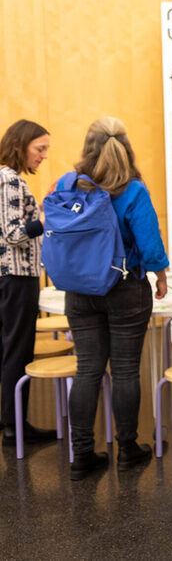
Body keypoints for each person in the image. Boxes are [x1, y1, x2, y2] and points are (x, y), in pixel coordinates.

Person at [58, 117, 170, 480]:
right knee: (124, 371)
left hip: (78, 289)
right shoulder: (133, 190)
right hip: (125, 288)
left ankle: (82, 456)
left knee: (87, 370)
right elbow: (149, 240)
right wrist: (161, 273)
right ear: (126, 146)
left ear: (87, 146)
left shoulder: (68, 183)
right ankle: (127, 449)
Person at [0, 119, 55, 445]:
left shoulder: (7, 180)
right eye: (40, 148)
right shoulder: (9, 181)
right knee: (17, 353)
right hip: (17, 277)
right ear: (20, 146)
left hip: (9, 276)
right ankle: (15, 426)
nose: (44, 155)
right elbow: (14, 233)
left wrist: (41, 209)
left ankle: (9, 421)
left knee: (7, 350)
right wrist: (47, 220)